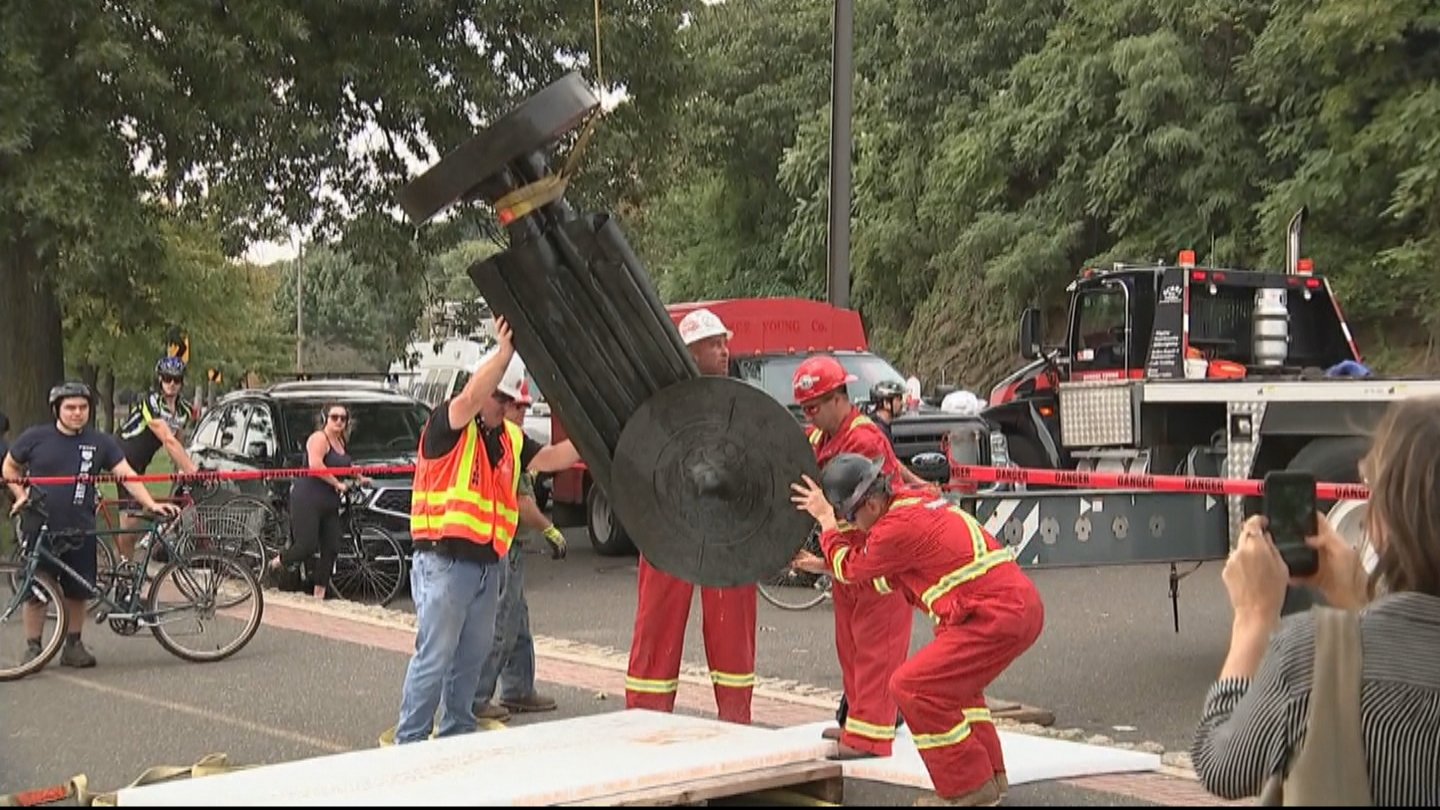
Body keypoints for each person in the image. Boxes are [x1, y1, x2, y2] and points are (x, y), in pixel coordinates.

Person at [1192, 396, 1440, 806]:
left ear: (1383, 519)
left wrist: (1254, 617)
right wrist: (1360, 596)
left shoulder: (1309, 652)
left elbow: (1222, 764)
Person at [791, 453, 1044, 806]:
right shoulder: (912, 504)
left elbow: (853, 568)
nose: (850, 524)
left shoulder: (894, 528)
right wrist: (823, 565)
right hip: (1008, 607)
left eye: (850, 515)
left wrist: (825, 522)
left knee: (912, 687)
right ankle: (990, 780)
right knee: (959, 693)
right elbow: (881, 578)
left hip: (993, 613)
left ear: (873, 502)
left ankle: (968, 788)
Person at [395, 316, 581, 744]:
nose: (505, 406)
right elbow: (474, 394)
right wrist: (503, 355)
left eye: (510, 400)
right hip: (443, 560)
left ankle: (458, 738)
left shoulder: (510, 440)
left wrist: (595, 437)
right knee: (435, 657)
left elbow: (552, 458)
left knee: (471, 661)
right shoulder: (450, 423)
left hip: (485, 564)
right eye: (501, 398)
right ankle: (410, 745)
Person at [625, 308, 759, 724]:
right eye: (713, 345)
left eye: (724, 343)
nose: (724, 351)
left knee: (732, 630)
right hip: (671, 527)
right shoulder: (662, 402)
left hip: (728, 530)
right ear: (690, 352)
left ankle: (736, 720)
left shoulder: (741, 401)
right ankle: (646, 718)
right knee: (657, 622)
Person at [787, 354, 921, 759]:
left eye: (814, 408)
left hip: (877, 557)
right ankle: (857, 723)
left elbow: (875, 508)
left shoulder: (863, 441)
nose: (809, 417)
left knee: (876, 644)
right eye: (804, 410)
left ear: (837, 398)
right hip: (847, 559)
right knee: (852, 644)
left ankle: (870, 737)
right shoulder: (819, 438)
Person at [3, 382, 182, 668]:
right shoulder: (35, 437)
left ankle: (73, 645)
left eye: (83, 407)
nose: (77, 413)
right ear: (56, 410)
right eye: (70, 407)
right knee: (36, 589)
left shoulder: (100, 442)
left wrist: (150, 503)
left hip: (81, 526)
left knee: (78, 589)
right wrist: (21, 495)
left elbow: (125, 474)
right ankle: (33, 647)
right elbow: (9, 467)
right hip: (40, 526)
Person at [473, 379, 568, 722]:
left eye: (527, 407)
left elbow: (551, 458)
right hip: (500, 545)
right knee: (500, 624)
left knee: (517, 622)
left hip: (507, 544)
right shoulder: (499, 443)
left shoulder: (511, 441)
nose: (523, 412)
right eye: (517, 406)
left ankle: (518, 689)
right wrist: (549, 528)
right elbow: (522, 500)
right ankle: (479, 697)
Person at [266, 402, 370, 600]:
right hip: (308, 498)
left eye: (343, 418)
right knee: (306, 545)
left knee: (331, 548)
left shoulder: (341, 442)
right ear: (325, 419)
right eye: (334, 417)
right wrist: (337, 484)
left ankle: (318, 595)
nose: (339, 421)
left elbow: (345, 465)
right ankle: (275, 563)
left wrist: (359, 477)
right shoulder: (319, 439)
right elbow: (316, 465)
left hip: (329, 502)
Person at [115, 357, 199, 564]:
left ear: (182, 382)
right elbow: (167, 439)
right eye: (167, 378)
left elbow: (178, 441)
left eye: (176, 379)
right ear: (159, 379)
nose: (171, 384)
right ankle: (124, 572)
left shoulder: (184, 410)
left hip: (141, 464)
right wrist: (192, 470)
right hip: (122, 457)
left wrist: (182, 470)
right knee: (130, 523)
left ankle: (130, 564)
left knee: (141, 518)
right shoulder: (150, 403)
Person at [868, 380, 908, 447]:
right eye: (899, 399)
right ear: (886, 403)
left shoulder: (883, 426)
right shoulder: (877, 432)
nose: (902, 403)